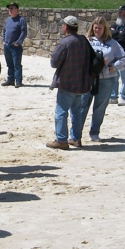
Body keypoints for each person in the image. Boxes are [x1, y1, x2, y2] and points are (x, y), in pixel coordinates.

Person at [76, 17, 125, 142]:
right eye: (95, 28)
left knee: (99, 107)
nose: (97, 30)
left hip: (106, 79)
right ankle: (76, 134)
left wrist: (114, 66)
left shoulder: (112, 43)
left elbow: (124, 56)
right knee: (82, 106)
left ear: (105, 29)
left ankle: (94, 132)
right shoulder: (87, 40)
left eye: (99, 28)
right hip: (88, 78)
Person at [46, 16, 92, 150]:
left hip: (67, 82)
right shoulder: (83, 40)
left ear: (66, 27)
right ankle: (76, 138)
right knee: (76, 112)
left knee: (61, 112)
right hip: (82, 82)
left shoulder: (64, 43)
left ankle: (61, 140)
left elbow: (54, 63)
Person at [1, 2, 27, 88]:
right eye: (9, 8)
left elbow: (23, 32)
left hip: (15, 46)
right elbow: (4, 31)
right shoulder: (7, 20)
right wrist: (4, 40)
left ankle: (18, 81)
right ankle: (10, 80)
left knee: (17, 64)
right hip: (7, 45)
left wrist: (18, 42)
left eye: (12, 8)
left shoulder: (21, 20)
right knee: (9, 64)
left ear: (17, 9)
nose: (10, 10)